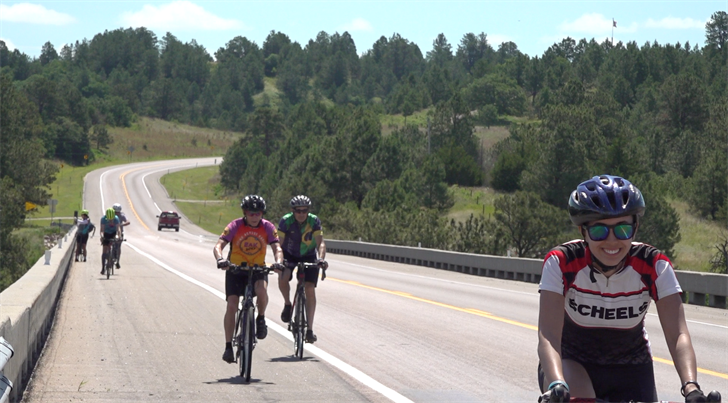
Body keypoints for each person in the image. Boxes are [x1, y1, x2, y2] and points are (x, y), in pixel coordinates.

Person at [537, 175, 708, 403]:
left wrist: (691, 387)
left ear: (635, 229)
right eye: (599, 231)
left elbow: (678, 334)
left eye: (622, 229)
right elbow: (548, 335)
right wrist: (557, 383)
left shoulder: (654, 265)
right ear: (583, 231)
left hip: (631, 368)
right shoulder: (561, 262)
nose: (611, 241)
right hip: (572, 363)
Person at [213, 195, 284, 364]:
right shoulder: (235, 225)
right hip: (236, 270)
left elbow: (277, 248)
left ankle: (260, 318)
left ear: (262, 213)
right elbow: (219, 245)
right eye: (251, 213)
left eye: (258, 213)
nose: (254, 216)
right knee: (232, 305)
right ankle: (228, 346)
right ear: (245, 213)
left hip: (258, 268)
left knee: (261, 290)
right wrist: (220, 259)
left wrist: (278, 262)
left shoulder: (268, 227)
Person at [276, 195, 327, 343]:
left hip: (309, 255)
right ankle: (287, 303)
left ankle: (309, 329)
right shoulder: (286, 221)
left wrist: (321, 258)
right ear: (293, 211)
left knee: (309, 288)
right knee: (283, 278)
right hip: (289, 255)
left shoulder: (314, 221)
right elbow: (279, 243)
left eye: (304, 211)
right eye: (298, 211)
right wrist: (279, 260)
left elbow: (321, 243)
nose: (301, 214)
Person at [99, 208, 121, 275]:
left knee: (116, 244)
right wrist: (102, 236)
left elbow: (118, 229)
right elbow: (102, 230)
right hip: (106, 233)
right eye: (109, 219)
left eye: (112, 219)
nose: (111, 220)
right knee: (104, 250)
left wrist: (118, 236)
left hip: (114, 233)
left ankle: (116, 258)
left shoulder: (116, 218)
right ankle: (103, 268)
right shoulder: (103, 219)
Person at [112, 203, 130, 268]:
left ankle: (118, 261)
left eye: (118, 212)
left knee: (118, 246)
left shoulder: (122, 215)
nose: (117, 213)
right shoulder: (111, 215)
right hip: (111, 232)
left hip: (119, 232)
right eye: (115, 212)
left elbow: (128, 221)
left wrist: (121, 225)